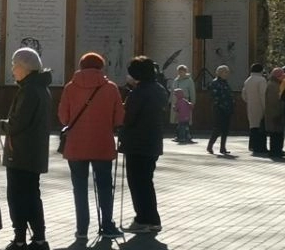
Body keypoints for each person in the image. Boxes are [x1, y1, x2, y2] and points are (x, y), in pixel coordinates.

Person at [58, 52, 125, 240]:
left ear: (81, 66)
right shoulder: (110, 88)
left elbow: (63, 117)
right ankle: (107, 225)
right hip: (102, 143)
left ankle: (82, 228)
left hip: (76, 145)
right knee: (104, 185)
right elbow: (119, 117)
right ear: (101, 67)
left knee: (79, 187)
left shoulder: (70, 88)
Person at [0, 47, 52, 250]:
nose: (12, 69)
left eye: (14, 65)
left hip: (21, 153)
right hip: (32, 152)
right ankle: (38, 240)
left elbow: (17, 124)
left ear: (25, 68)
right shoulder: (39, 88)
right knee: (31, 197)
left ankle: (20, 242)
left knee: (18, 198)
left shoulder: (29, 90)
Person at [120, 55, 168, 233]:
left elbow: (128, 118)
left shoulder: (138, 93)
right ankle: (153, 219)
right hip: (153, 141)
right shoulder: (159, 89)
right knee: (147, 181)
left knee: (137, 182)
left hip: (137, 143)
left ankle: (142, 219)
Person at [207, 65, 234, 155]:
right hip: (219, 109)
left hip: (227, 109)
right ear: (219, 73)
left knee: (225, 129)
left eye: (227, 72)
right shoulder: (215, 83)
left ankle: (223, 147)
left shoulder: (225, 83)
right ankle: (210, 146)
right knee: (217, 128)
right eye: (225, 72)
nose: (227, 74)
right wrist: (220, 104)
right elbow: (214, 96)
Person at [243, 64, 269, 155]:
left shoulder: (248, 80)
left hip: (250, 106)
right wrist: (266, 108)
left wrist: (249, 101)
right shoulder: (261, 80)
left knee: (253, 127)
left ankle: (252, 145)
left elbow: (244, 95)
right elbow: (263, 95)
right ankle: (261, 147)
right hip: (259, 106)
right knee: (261, 127)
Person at [169, 65, 196, 141]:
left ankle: (187, 135)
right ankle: (178, 135)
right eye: (179, 71)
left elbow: (192, 92)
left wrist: (193, 102)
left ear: (185, 71)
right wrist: (170, 101)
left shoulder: (189, 80)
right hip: (176, 102)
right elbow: (172, 91)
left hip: (185, 103)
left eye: (182, 71)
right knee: (177, 119)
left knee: (185, 119)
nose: (180, 72)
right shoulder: (176, 80)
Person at [264, 67, 285, 158]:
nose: (284, 77)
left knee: (277, 134)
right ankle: (275, 151)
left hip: (275, 112)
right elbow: (274, 101)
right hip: (275, 113)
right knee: (275, 134)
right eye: (282, 75)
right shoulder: (273, 86)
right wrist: (280, 110)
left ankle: (277, 150)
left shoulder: (275, 84)